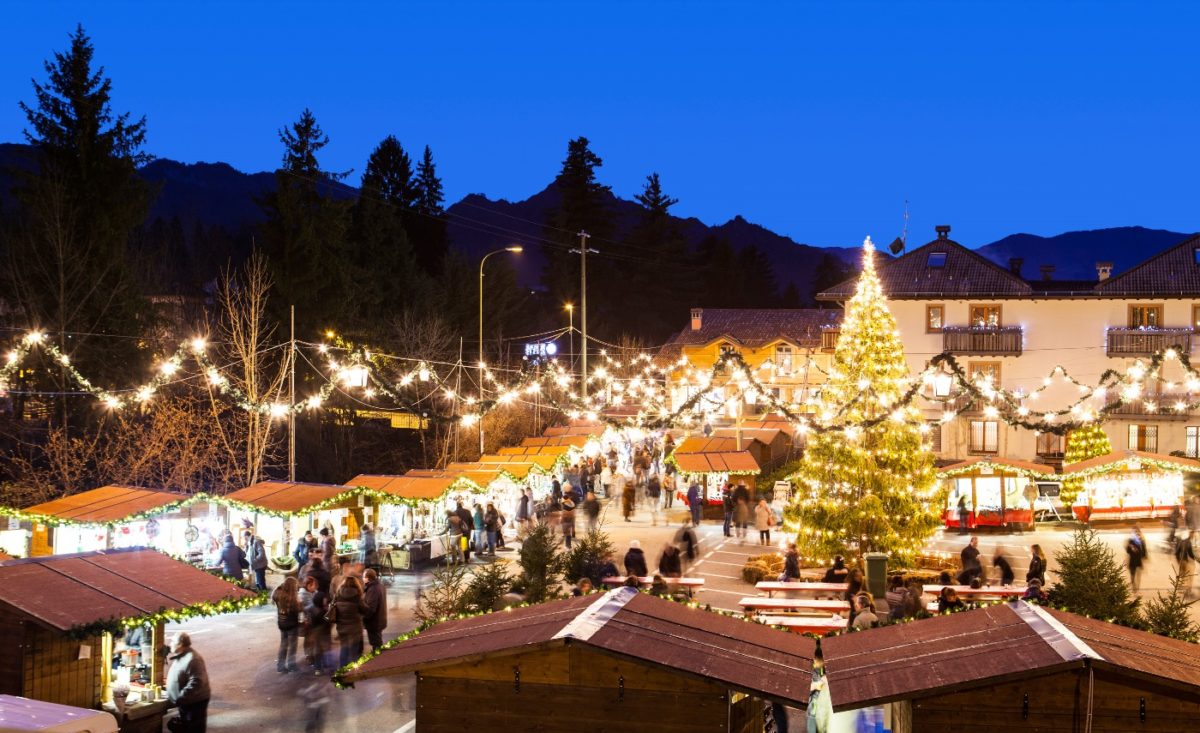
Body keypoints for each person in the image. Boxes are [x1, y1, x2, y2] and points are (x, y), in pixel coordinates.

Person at [166, 633, 210, 732]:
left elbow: (197, 682)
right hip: (187, 702)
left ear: (180, 644)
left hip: (194, 704)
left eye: (173, 641)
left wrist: (181, 697)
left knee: (193, 729)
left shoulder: (193, 659)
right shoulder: (182, 655)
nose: (170, 644)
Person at [330, 574, 369, 668]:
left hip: (342, 628)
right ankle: (353, 670)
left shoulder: (338, 595)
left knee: (344, 649)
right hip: (355, 629)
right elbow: (365, 610)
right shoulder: (357, 597)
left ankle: (342, 669)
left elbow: (333, 608)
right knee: (354, 651)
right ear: (356, 584)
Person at [301, 575, 331, 673]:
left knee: (318, 649)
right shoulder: (320, 611)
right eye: (313, 585)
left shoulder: (315, 597)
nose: (315, 587)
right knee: (319, 648)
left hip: (315, 629)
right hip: (319, 632)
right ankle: (318, 665)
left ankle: (319, 667)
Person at [272, 577, 301, 673]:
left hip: (282, 623)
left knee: (283, 645)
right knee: (292, 646)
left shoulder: (278, 594)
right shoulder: (291, 598)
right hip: (291, 625)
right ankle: (292, 665)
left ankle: (280, 666)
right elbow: (296, 611)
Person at [362, 568, 388, 653]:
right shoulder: (380, 586)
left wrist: (364, 618)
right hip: (379, 619)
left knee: (376, 644)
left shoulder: (373, 589)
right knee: (377, 642)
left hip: (374, 622)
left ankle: (379, 662)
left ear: (368, 578)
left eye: (363, 577)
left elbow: (371, 608)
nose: (362, 579)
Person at [1126, 527, 1148, 592]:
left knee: (1138, 575)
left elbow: (1144, 551)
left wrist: (1144, 556)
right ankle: (1134, 587)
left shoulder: (1142, 541)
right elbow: (1127, 551)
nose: (1137, 534)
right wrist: (1131, 548)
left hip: (1138, 561)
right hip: (1132, 560)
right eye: (1135, 532)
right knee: (1132, 575)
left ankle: (1137, 588)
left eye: (1138, 532)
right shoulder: (1131, 541)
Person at [1175, 531, 1195, 598]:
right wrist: (1196, 559)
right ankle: (1186, 593)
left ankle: (1178, 592)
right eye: (1193, 535)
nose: (1193, 537)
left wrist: (1178, 560)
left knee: (1182, 577)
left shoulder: (1182, 541)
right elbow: (1191, 553)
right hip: (1185, 562)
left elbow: (1176, 552)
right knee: (1188, 577)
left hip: (1181, 561)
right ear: (1190, 535)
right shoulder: (1188, 542)